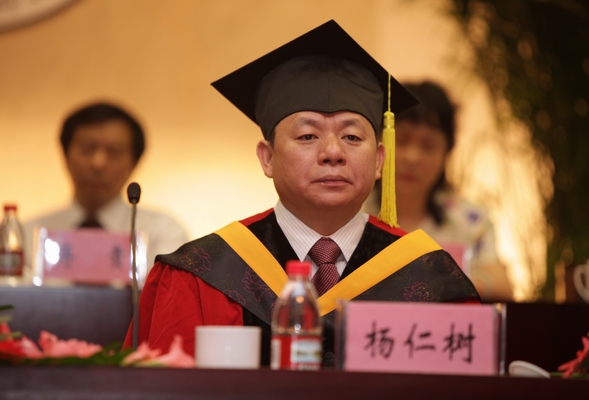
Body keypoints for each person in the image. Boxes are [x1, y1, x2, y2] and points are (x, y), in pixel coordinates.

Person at [124, 20, 480, 368]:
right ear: (267, 158)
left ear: (378, 161)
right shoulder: (202, 272)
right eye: (307, 136)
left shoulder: (429, 277)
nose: (333, 152)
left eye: (352, 137)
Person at [367, 81, 513, 301]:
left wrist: (454, 285)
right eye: (401, 141)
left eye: (428, 146)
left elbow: (503, 286)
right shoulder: (350, 210)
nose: (412, 157)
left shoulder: (470, 220)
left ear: (447, 152)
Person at [24, 102, 189, 272]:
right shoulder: (26, 236)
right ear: (65, 155)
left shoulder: (163, 232)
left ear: (133, 163)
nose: (98, 163)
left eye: (114, 152)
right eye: (87, 149)